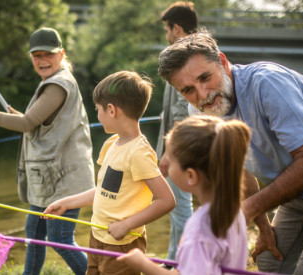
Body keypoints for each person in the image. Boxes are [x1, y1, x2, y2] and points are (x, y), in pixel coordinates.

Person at [157, 29, 303, 274]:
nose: (203, 95)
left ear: (223, 62)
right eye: (188, 90)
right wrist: (264, 228)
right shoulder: (200, 111)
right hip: (297, 178)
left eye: (205, 77)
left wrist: (242, 212)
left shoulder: (268, 83)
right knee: (271, 260)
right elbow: (241, 174)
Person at [0, 27, 94, 275]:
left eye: (49, 54)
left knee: (60, 239)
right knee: (34, 232)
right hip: (51, 176)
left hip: (65, 177)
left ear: (61, 54)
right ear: (31, 57)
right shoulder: (53, 80)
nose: (43, 60)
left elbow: (27, 124)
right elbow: (37, 122)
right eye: (37, 55)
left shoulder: (59, 83)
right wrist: (18, 116)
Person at [43, 71, 175, 275]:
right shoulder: (111, 144)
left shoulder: (139, 153)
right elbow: (104, 191)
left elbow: (166, 200)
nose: (97, 114)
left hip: (122, 244)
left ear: (111, 110)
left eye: (98, 110)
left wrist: (127, 225)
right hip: (97, 238)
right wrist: (67, 202)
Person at [118, 115, 251, 274]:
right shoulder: (234, 211)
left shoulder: (199, 228)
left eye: (171, 161)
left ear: (191, 176)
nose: (165, 163)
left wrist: (143, 265)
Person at [156, 1, 198, 264]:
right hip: (184, 145)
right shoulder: (190, 55)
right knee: (179, 207)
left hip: (182, 148)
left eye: (168, 31)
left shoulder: (186, 59)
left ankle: (178, 263)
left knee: (180, 208)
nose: (167, 36)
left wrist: (171, 153)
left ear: (178, 29)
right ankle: (175, 260)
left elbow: (183, 111)